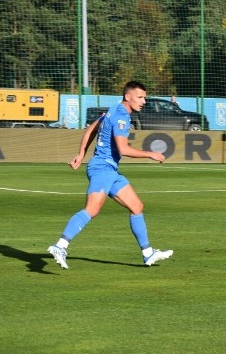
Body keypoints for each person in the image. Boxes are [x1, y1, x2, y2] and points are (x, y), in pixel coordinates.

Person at [47, 80, 173, 270]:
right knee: (92, 209)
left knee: (137, 206)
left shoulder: (113, 110)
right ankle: (60, 246)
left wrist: (81, 154)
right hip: (102, 169)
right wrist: (150, 154)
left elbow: (91, 129)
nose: (143, 101)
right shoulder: (122, 116)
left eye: (144, 97)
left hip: (109, 170)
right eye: (140, 97)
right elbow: (122, 148)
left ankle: (148, 254)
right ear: (127, 97)